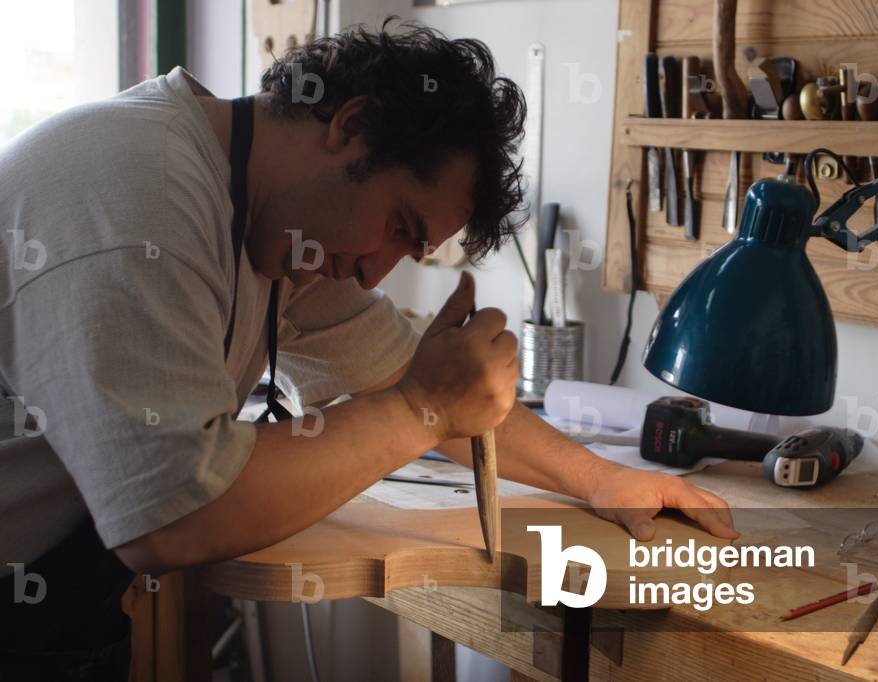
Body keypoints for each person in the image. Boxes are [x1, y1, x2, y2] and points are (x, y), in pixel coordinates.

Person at [0, 19, 736, 680]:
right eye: (398, 225)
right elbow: (168, 519)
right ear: (349, 125)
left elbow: (405, 366)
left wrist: (598, 478)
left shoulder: (270, 223)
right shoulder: (137, 195)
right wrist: (421, 410)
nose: (373, 271)